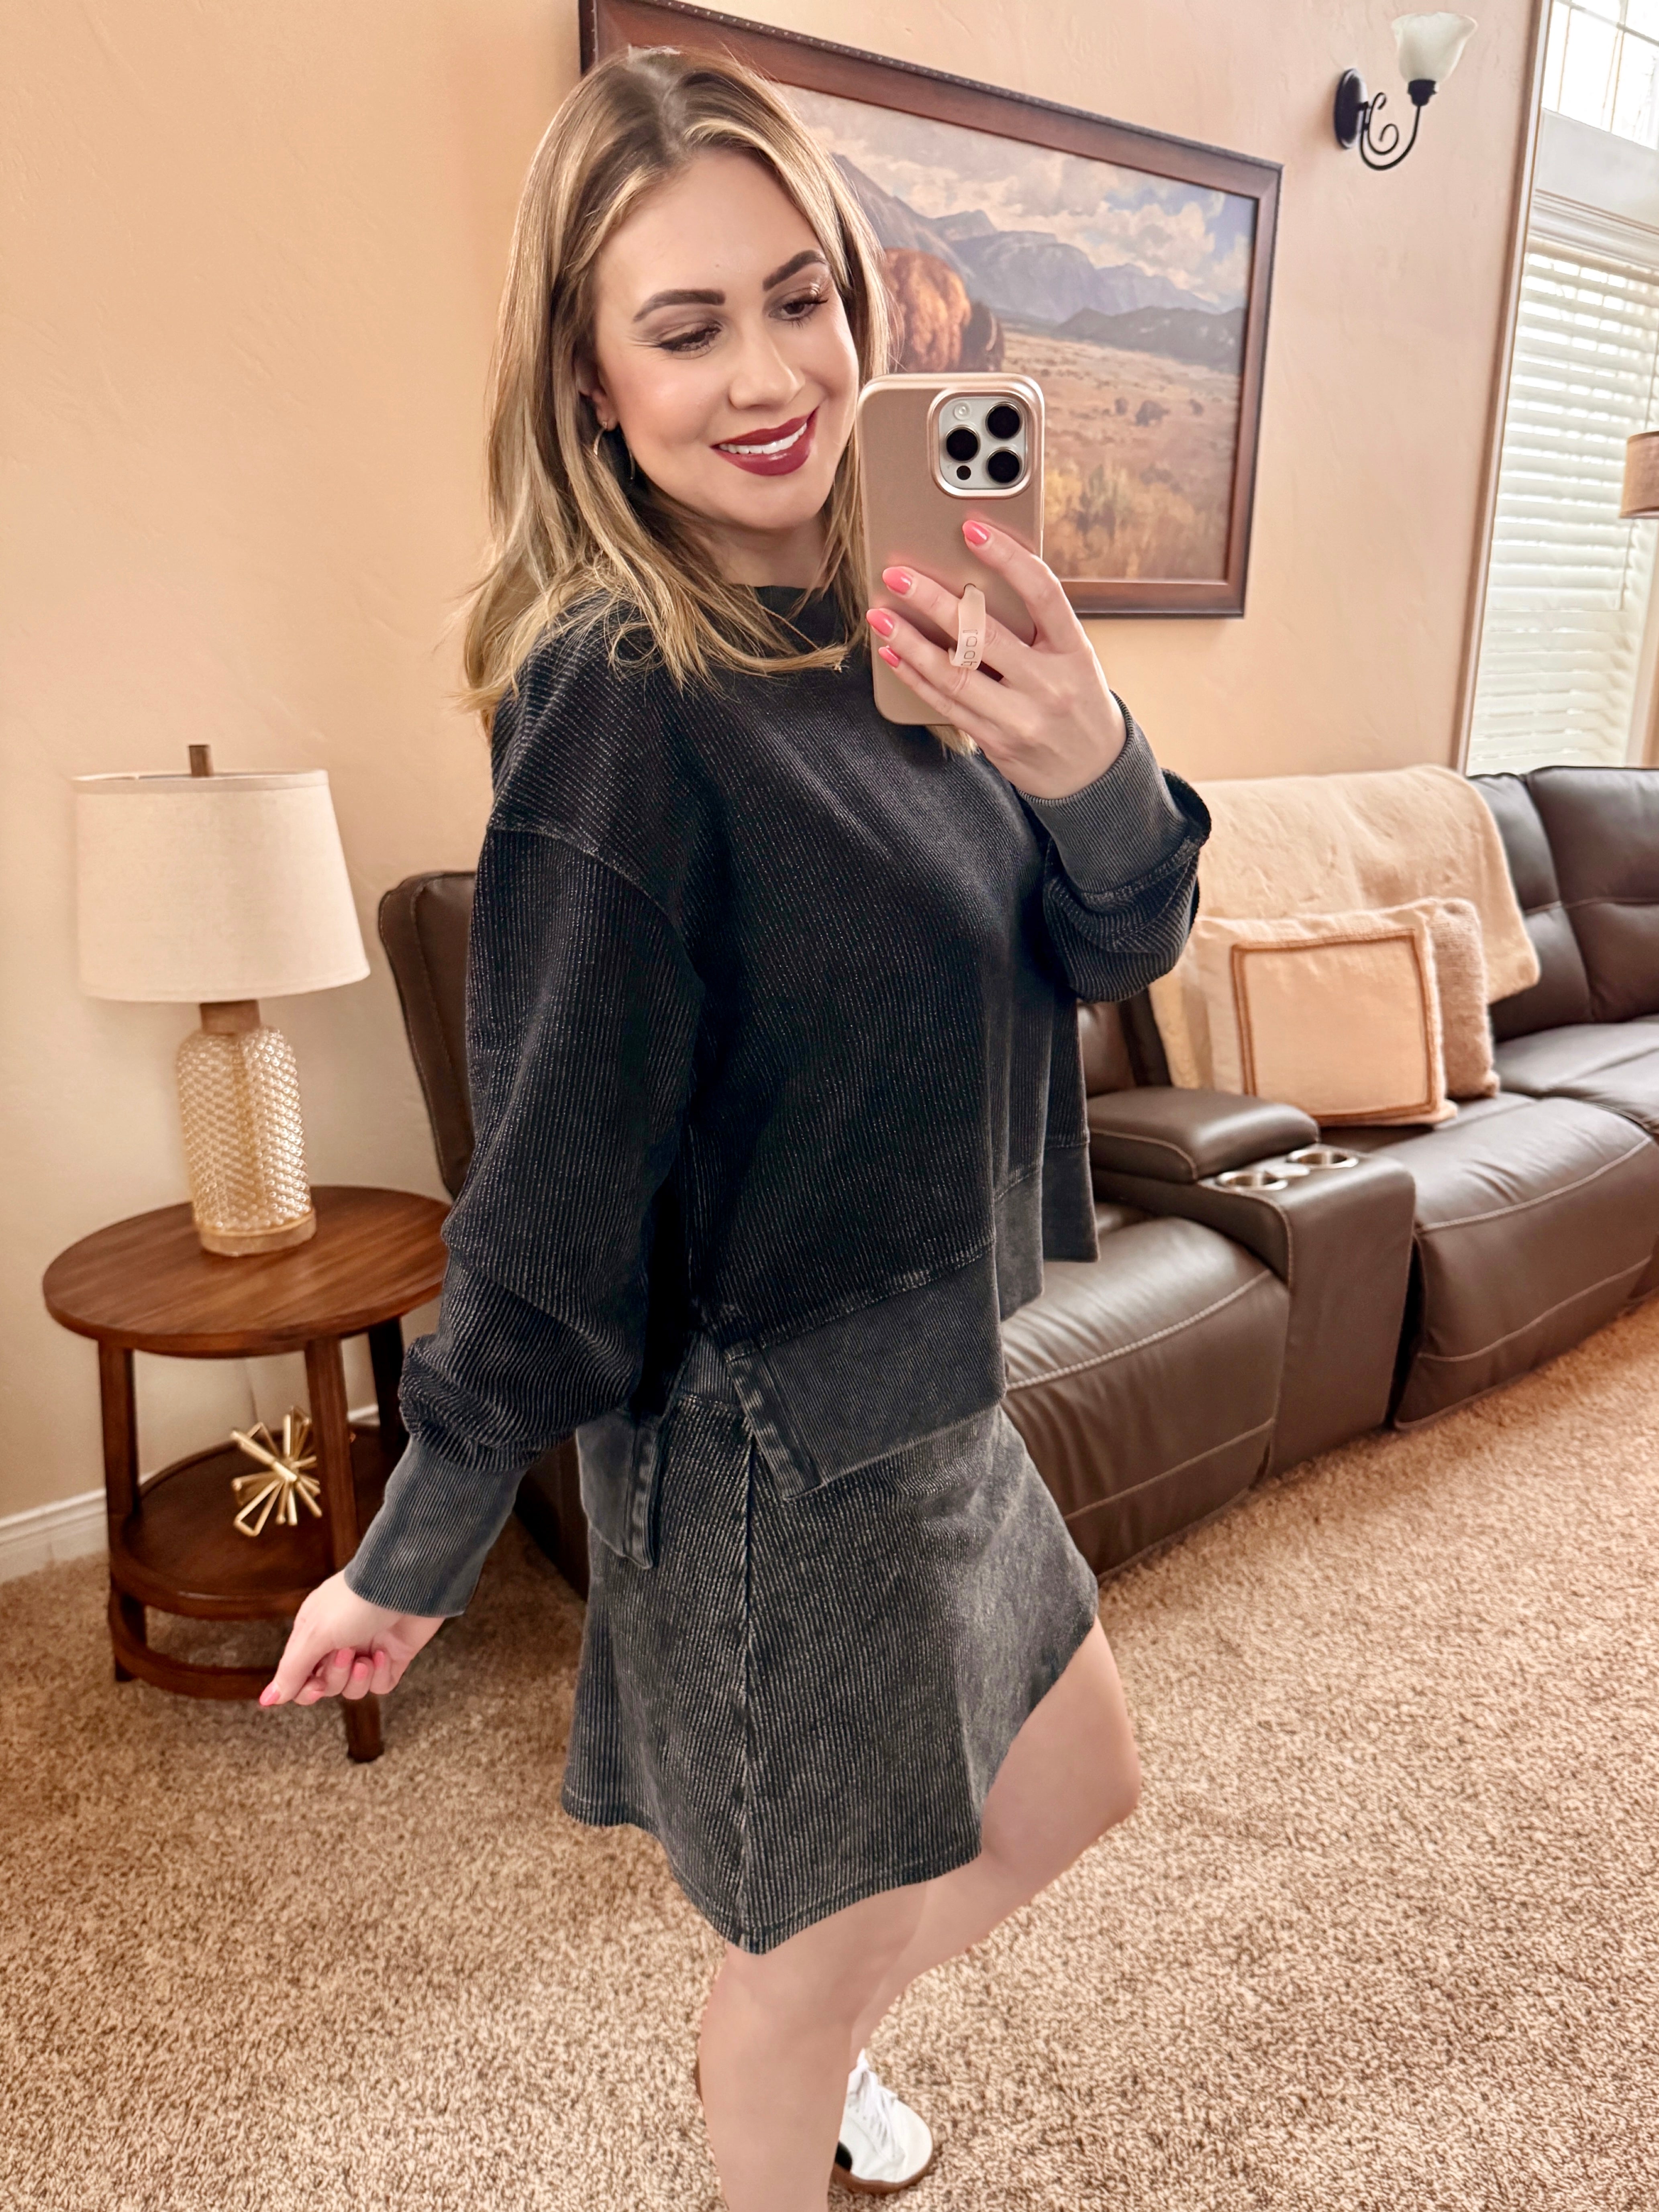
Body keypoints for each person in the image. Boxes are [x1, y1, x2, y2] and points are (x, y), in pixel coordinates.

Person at [259, 46, 1208, 2212]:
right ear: (590, 386)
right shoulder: (622, 694)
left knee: (1074, 1784)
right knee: (797, 1960)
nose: (770, 375)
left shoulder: (906, 626)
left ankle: (795, 2050)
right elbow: (553, 1169)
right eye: (685, 328)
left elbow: (1119, 932)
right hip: (777, 1442)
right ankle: (776, 2090)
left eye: (803, 298)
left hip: (933, 1381)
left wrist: (1085, 753)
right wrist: (419, 1539)